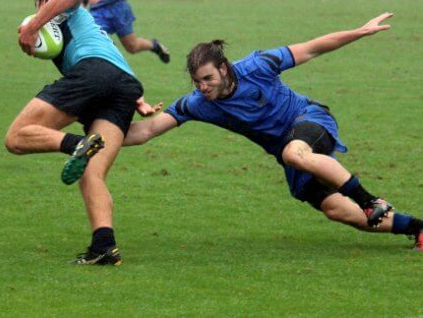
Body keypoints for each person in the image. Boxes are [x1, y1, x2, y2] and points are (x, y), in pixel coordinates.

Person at [123, 13, 422, 252]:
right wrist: (99, 137)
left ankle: (371, 201)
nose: (203, 87)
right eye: (197, 81)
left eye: (208, 78)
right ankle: (417, 228)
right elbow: (147, 130)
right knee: (338, 211)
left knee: (295, 152)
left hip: (311, 120)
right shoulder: (198, 104)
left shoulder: (258, 65)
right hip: (290, 153)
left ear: (224, 69)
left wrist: (359, 32)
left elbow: (313, 47)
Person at [7, 0, 160, 265]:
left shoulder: (68, 8)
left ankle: (79, 143)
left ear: (46, 3)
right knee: (92, 172)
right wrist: (138, 100)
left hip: (93, 73)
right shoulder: (90, 32)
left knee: (16, 137)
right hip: (121, 87)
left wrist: (32, 25)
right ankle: (104, 247)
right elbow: (116, 69)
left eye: (41, 10)